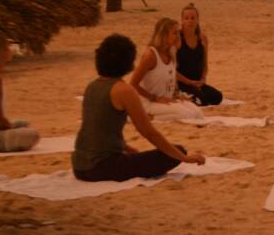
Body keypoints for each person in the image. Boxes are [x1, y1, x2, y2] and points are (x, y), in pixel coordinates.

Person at [73, 34, 205, 181]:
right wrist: (185, 158)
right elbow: (149, 132)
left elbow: (97, 128)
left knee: (140, 157)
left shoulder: (92, 87)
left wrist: (127, 149)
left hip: (79, 166)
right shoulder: (124, 90)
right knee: (176, 151)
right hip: (101, 167)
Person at [130, 18, 204, 121]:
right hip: (149, 102)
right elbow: (133, 83)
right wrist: (154, 98)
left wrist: (178, 95)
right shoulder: (150, 55)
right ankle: (147, 117)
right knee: (186, 115)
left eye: (178, 33)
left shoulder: (171, 51)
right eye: (174, 33)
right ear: (164, 35)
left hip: (166, 100)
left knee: (197, 112)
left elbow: (171, 75)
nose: (178, 36)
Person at [176, 3, 223, 106]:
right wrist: (189, 82)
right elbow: (171, 69)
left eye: (193, 18)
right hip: (181, 82)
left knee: (217, 97)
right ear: (182, 20)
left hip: (197, 82)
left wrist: (203, 79)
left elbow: (205, 64)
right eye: (187, 18)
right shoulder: (177, 38)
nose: (190, 21)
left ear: (197, 20)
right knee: (202, 100)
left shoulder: (202, 38)